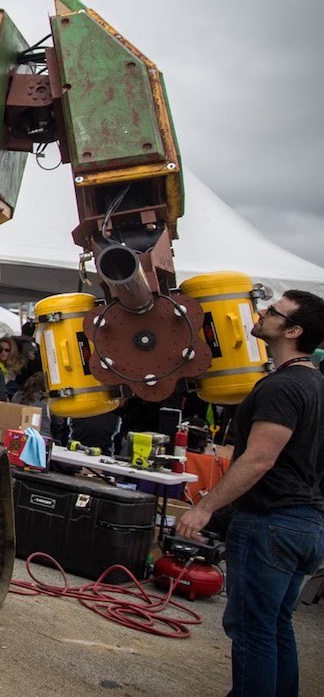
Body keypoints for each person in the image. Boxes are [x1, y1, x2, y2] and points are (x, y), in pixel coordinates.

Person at [177, 290, 324, 697]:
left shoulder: (284, 387)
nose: (261, 312)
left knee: (252, 628)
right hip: (304, 524)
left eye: (273, 312)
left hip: (271, 523)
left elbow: (259, 459)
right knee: (274, 624)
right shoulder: (316, 384)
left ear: (293, 331)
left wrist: (205, 507)